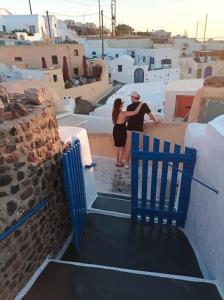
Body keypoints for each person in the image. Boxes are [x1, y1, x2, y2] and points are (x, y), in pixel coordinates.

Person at [124, 91, 159, 168]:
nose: (130, 98)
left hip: (129, 129)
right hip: (138, 129)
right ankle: (136, 163)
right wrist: (156, 121)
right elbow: (151, 115)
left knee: (128, 147)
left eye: (131, 97)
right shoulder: (143, 105)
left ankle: (127, 163)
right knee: (138, 147)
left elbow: (127, 119)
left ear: (133, 98)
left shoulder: (129, 107)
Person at [112, 98, 144, 167]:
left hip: (115, 130)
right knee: (121, 147)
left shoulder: (114, 112)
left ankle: (117, 162)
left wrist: (126, 119)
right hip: (121, 130)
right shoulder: (123, 113)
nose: (123, 104)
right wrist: (140, 104)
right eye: (122, 103)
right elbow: (135, 112)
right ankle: (120, 162)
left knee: (117, 147)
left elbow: (120, 120)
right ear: (120, 104)